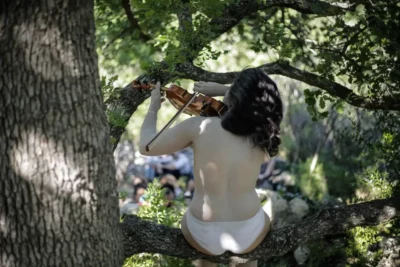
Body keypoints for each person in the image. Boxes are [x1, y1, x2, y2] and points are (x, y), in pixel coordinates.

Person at [139, 68, 283, 267]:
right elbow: (265, 100)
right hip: (249, 231)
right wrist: (225, 89)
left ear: (234, 95)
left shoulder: (199, 126)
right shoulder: (262, 134)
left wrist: (153, 107)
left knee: (204, 257)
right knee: (253, 244)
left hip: (202, 230)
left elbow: (146, 146)